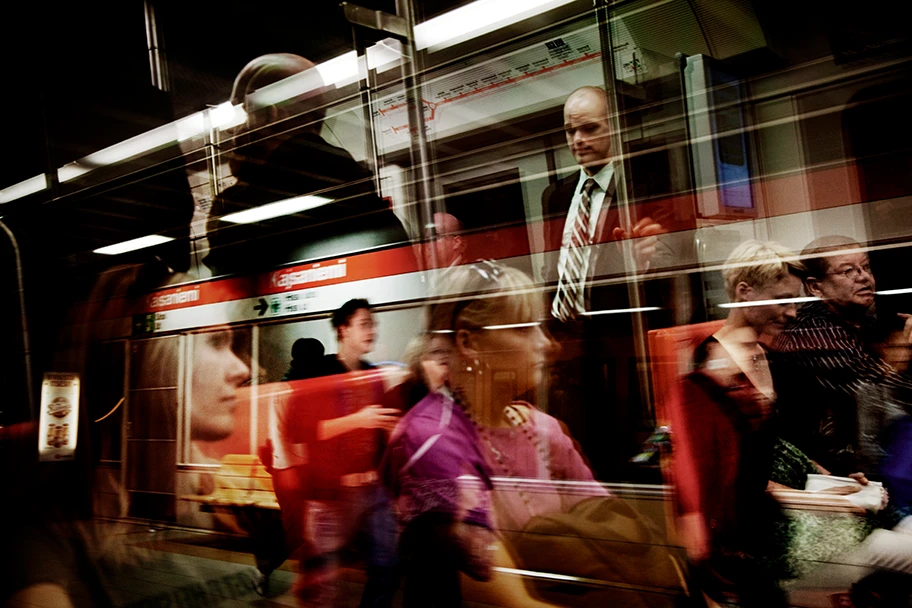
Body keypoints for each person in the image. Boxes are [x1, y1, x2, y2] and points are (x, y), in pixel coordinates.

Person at [541, 85, 684, 475]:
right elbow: (554, 264)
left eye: (589, 129)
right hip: (568, 343)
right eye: (571, 131)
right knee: (578, 450)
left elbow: (675, 256)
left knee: (623, 450)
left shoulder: (645, 183)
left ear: (615, 128)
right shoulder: (556, 195)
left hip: (620, 340)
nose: (578, 140)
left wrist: (648, 259)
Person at [675, 240, 805, 606]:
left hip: (759, 535)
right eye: (783, 299)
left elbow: (763, 448)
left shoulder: (766, 355)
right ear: (744, 293)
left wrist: (821, 476)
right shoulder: (707, 367)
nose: (793, 312)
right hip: (725, 550)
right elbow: (697, 472)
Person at [205, 53, 409, 277]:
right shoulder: (354, 184)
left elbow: (228, 288)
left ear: (273, 113)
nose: (244, 127)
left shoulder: (242, 203)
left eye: (249, 114)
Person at [279, 298, 400, 607]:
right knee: (323, 585)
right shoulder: (321, 372)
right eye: (364, 324)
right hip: (331, 497)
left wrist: (388, 430)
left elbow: (379, 427)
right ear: (343, 329)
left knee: (387, 567)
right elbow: (298, 431)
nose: (371, 331)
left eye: (373, 324)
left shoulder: (374, 376)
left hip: (373, 492)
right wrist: (357, 420)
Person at [773, 235, 912, 477]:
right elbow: (882, 391)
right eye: (848, 271)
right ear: (816, 287)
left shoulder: (864, 322)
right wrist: (905, 351)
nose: (863, 276)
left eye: (865, 267)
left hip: (873, 456)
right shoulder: (812, 332)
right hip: (833, 472)